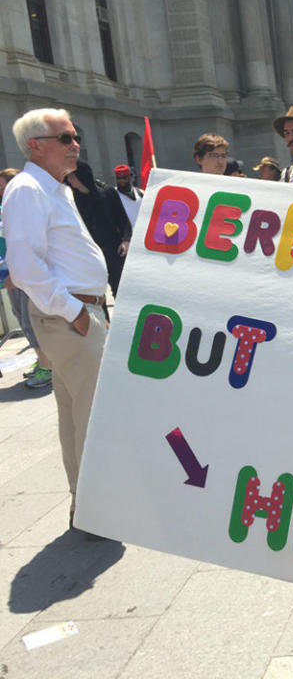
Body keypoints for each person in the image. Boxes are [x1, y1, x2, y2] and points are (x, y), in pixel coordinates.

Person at [1, 108, 109, 535]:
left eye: (75, 136)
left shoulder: (54, 187)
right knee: (94, 414)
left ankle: (88, 505)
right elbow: (25, 267)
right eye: (65, 138)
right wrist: (77, 313)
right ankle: (95, 508)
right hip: (70, 317)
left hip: (78, 313)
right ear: (36, 146)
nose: (76, 144)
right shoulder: (28, 189)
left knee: (76, 413)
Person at [1, 167, 54, 388]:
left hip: (21, 273)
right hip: (9, 272)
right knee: (20, 316)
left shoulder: (21, 207)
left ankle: (47, 367)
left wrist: (18, 271)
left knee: (30, 320)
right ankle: (42, 360)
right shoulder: (6, 208)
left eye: (2, 186)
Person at [66, 161, 131, 299]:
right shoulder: (71, 200)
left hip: (114, 251)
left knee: (121, 291)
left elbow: (123, 220)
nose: (69, 179)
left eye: (72, 175)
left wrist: (125, 241)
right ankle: (104, 321)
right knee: (96, 295)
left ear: (81, 176)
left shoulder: (107, 193)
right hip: (91, 254)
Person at [112, 164, 143, 229]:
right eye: (119, 178)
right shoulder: (112, 194)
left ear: (129, 177)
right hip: (124, 237)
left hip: (141, 234)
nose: (121, 181)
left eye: (124, 178)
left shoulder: (141, 193)